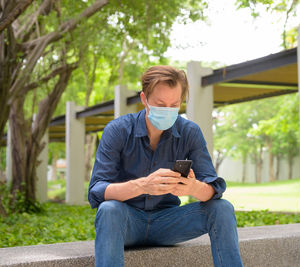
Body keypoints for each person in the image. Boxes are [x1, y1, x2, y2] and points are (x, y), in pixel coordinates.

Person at [88, 65, 243, 267]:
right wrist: (143, 185)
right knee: (109, 210)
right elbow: (96, 191)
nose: (168, 111)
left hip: (169, 223)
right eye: (161, 104)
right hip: (126, 222)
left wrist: (194, 187)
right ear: (144, 99)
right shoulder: (117, 131)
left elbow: (214, 190)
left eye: (174, 105)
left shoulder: (190, 132)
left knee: (223, 208)